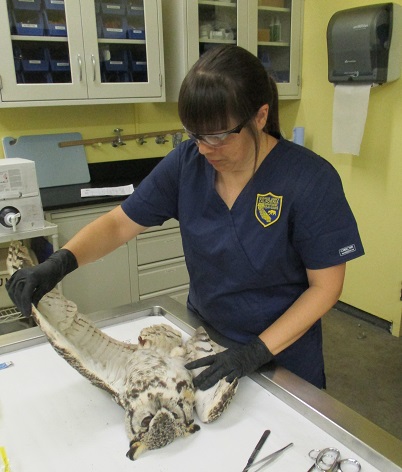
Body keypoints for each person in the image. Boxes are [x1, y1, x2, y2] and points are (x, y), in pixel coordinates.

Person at [6, 45, 364, 391]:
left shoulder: (310, 180)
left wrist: (255, 351)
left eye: (219, 135)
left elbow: (325, 287)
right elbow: (119, 223)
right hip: (207, 343)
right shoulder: (186, 164)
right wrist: (58, 263)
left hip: (283, 355)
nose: (205, 148)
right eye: (196, 135)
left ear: (260, 116)